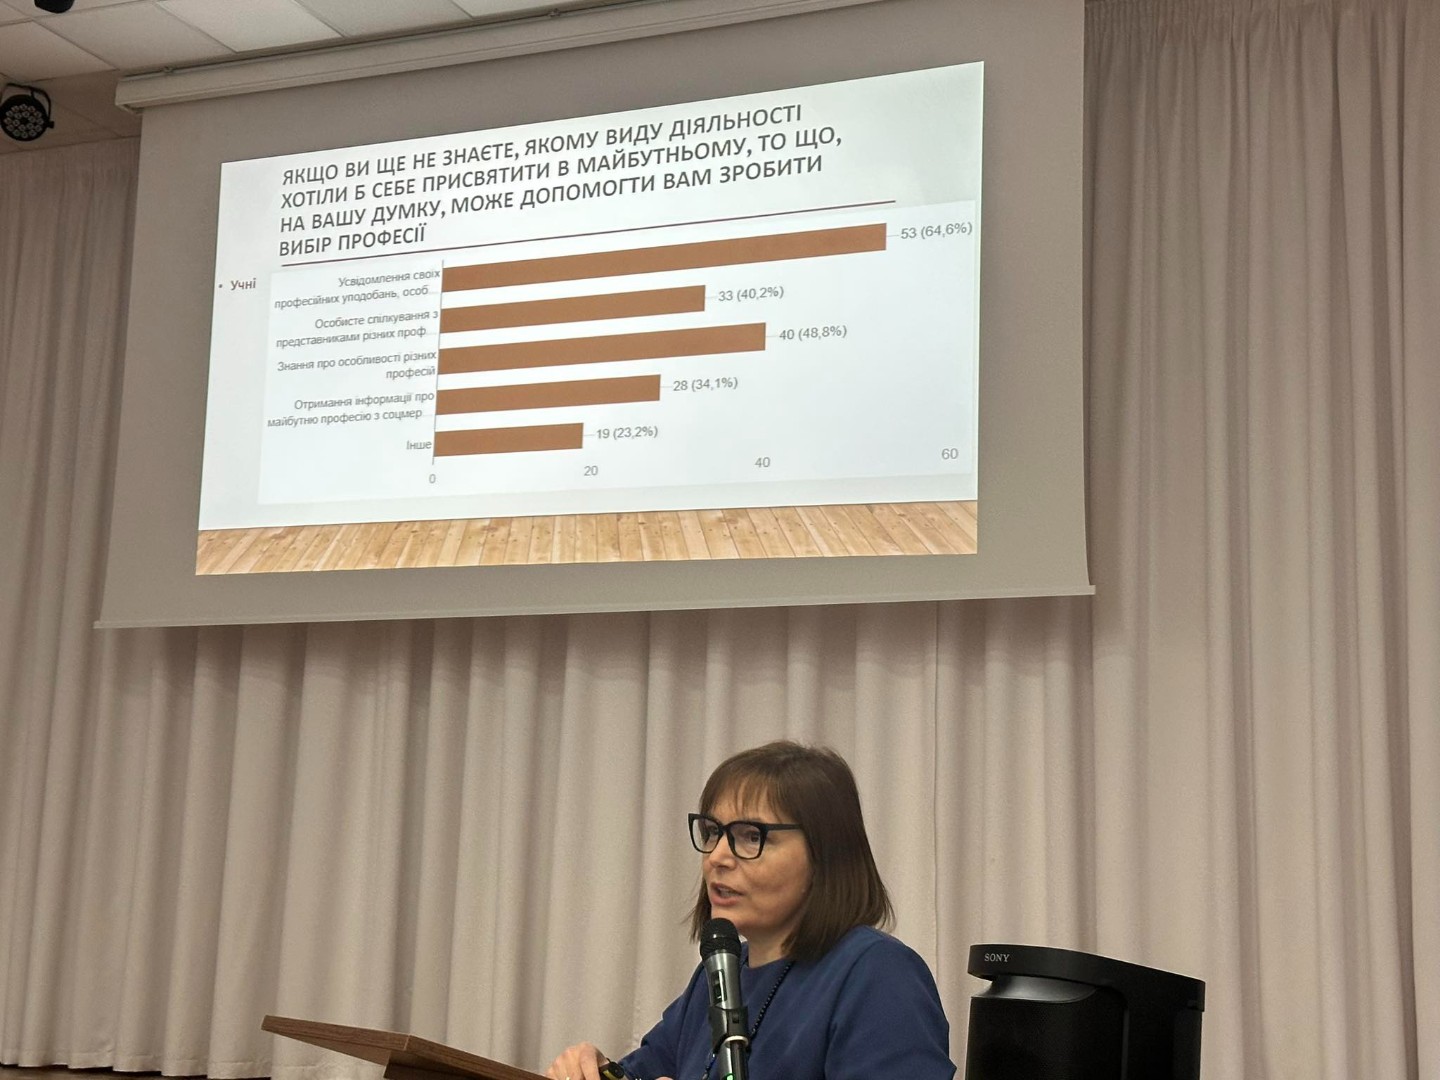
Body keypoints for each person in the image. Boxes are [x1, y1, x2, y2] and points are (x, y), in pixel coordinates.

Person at [545, 740, 955, 1080]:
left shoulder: (877, 973)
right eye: (713, 832)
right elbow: (646, 1071)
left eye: (750, 836)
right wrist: (596, 1069)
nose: (717, 857)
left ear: (824, 854)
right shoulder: (717, 976)